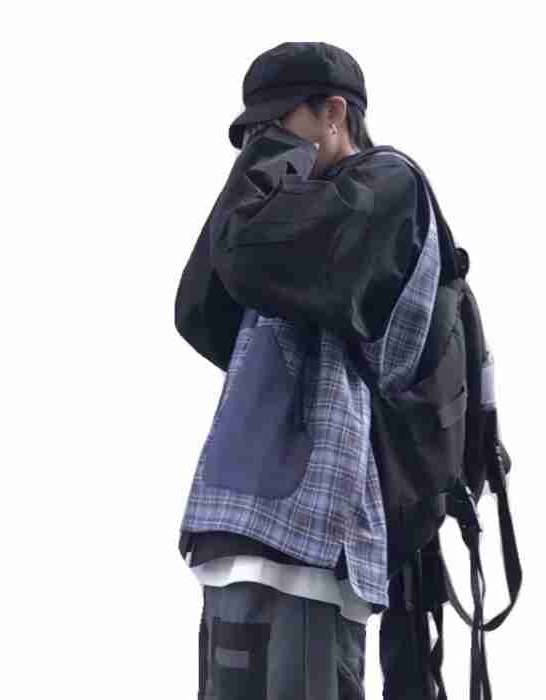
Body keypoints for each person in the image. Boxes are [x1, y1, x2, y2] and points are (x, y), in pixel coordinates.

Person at [175, 42, 440, 699]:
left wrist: (268, 165)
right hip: (240, 522)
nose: (262, 145)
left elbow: (254, 259)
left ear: (334, 113)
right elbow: (199, 309)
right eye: (253, 135)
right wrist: (270, 163)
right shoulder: (291, 205)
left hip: (317, 533)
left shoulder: (388, 188)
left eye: (277, 125)